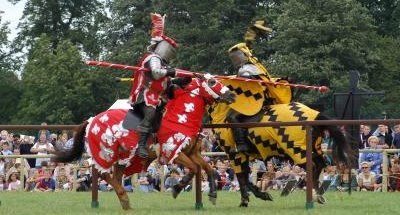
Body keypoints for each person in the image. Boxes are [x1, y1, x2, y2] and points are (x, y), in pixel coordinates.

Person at [226, 21, 291, 153]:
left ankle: (242, 144)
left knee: (232, 117)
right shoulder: (254, 66)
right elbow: (247, 46)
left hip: (257, 102)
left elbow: (247, 87)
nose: (234, 60)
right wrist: (251, 33)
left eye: (235, 57)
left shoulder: (246, 69)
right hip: (264, 98)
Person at [128, 13, 179, 159]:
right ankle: (141, 145)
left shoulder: (163, 63)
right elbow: (156, 74)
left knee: (166, 115)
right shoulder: (153, 58)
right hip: (145, 93)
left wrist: (179, 81)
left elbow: (166, 83)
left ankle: (158, 141)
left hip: (158, 96)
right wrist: (170, 71)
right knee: (150, 112)